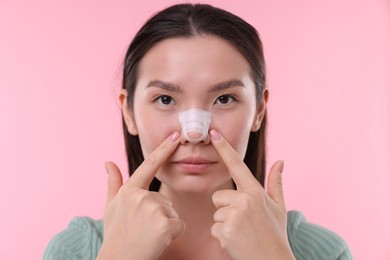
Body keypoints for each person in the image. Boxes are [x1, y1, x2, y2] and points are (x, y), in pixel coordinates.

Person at [43, 3, 352, 259]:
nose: (195, 133)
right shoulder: (74, 251)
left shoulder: (322, 251)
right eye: (165, 99)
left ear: (258, 110)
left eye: (224, 99)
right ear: (128, 111)